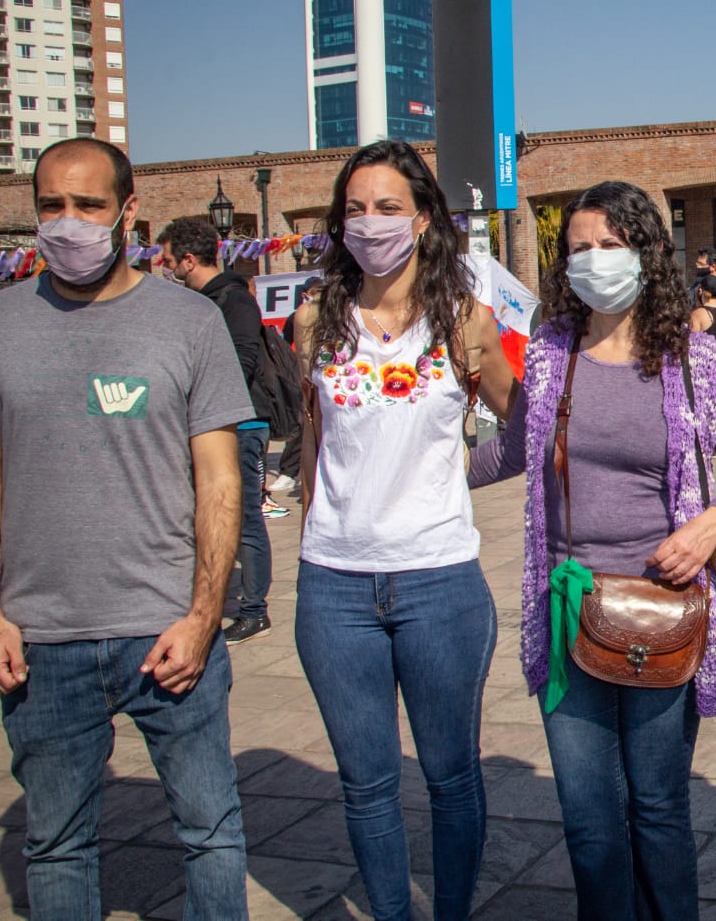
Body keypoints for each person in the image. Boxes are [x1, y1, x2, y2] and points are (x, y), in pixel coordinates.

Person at [468, 180, 716, 919]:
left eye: (610, 245)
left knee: (660, 805)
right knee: (588, 820)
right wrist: (416, 474)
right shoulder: (548, 355)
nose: (594, 260)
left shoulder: (697, 361)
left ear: (646, 252)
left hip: (663, 610)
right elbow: (513, 451)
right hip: (568, 608)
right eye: (578, 248)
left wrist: (710, 525)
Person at [0, 137, 251, 918]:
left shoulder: (190, 322)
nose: (69, 223)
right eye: (51, 206)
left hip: (165, 630)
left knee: (212, 833)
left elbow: (219, 479)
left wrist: (203, 616)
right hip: (41, 642)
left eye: (88, 205)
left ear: (128, 212)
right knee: (56, 844)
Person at [291, 140, 515, 921]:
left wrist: (462, 476)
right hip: (333, 585)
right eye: (354, 209)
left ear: (423, 219)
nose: (369, 223)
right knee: (366, 781)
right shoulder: (316, 319)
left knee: (452, 774)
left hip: (439, 582)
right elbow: (316, 441)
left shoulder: (466, 322)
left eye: (387, 207)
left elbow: (523, 428)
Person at [159, 215, 276, 645]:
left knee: (245, 519)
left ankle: (253, 609)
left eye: (170, 261)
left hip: (239, 426)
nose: (166, 269)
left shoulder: (232, 300)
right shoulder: (198, 303)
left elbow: (244, 360)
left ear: (189, 260)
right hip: (206, 429)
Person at [274, 275, 324, 490]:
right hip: (305, 378)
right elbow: (287, 346)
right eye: (313, 293)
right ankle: (289, 471)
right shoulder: (299, 317)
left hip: (329, 379)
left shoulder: (335, 314)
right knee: (304, 426)